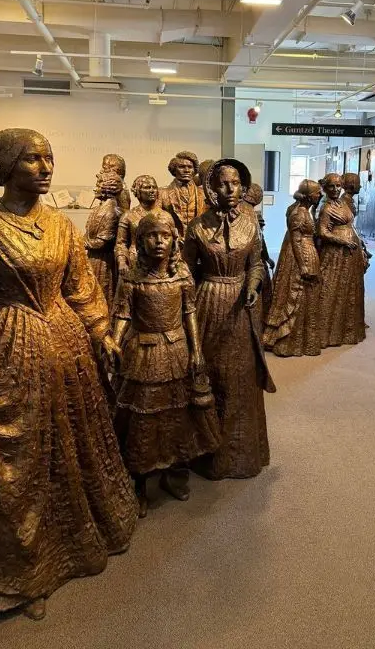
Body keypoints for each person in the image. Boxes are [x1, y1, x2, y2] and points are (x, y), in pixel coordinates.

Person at [0, 129, 138, 622]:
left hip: (64, 345)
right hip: (9, 346)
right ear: (6, 167)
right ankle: (17, 573)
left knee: (65, 445)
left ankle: (62, 548)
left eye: (49, 158)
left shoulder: (61, 226)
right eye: (32, 159)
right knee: (14, 459)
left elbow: (81, 286)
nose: (45, 168)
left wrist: (101, 331)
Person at [111, 211, 220, 518]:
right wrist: (114, 342)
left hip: (176, 351)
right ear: (139, 240)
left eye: (165, 236)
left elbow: (190, 313)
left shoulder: (183, 275)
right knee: (143, 420)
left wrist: (197, 350)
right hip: (143, 352)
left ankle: (175, 473)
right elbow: (122, 314)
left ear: (175, 240)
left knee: (178, 415)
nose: (158, 242)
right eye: (151, 235)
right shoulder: (131, 276)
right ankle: (140, 483)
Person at [183, 159, 275, 480]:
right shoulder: (196, 227)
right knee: (213, 372)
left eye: (236, 183)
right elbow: (186, 273)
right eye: (223, 184)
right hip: (209, 300)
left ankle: (241, 453)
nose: (230, 189)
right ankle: (209, 455)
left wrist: (252, 285)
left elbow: (256, 264)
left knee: (241, 375)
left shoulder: (250, 223)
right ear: (211, 187)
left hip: (241, 305)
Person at [264, 180, 322, 357]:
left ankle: (302, 339)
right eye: (317, 192)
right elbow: (296, 241)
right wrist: (303, 264)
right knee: (295, 294)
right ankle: (286, 340)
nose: (320, 195)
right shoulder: (298, 213)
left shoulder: (304, 209)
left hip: (304, 251)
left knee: (305, 296)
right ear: (309, 195)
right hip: (299, 255)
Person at [317, 173, 367, 348]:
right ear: (325, 188)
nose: (336, 189)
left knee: (349, 289)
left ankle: (347, 329)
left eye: (338, 186)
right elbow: (322, 232)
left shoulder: (342, 203)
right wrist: (343, 241)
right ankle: (327, 332)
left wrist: (358, 244)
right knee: (332, 288)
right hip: (336, 253)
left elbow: (350, 225)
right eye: (331, 186)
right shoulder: (327, 208)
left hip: (350, 252)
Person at [84, 169, 123, 310]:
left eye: (99, 184)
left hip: (104, 261)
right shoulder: (98, 209)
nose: (95, 188)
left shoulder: (112, 212)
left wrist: (82, 243)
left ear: (108, 188)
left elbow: (103, 241)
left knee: (104, 292)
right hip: (93, 258)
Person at [242, 182, 275, 322]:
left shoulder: (251, 215)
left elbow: (261, 241)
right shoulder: (248, 215)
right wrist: (266, 258)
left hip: (253, 261)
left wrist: (267, 258)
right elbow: (260, 242)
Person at [115, 174, 162, 273]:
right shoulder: (128, 216)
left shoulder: (166, 216)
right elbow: (121, 243)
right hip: (135, 261)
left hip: (159, 263)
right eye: (147, 188)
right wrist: (122, 261)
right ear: (138, 192)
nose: (152, 190)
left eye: (154, 187)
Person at [160, 151, 207, 241]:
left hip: (198, 243)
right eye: (181, 167)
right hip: (173, 243)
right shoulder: (162, 193)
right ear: (174, 169)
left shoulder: (203, 194)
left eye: (190, 167)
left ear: (194, 170)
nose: (186, 170)